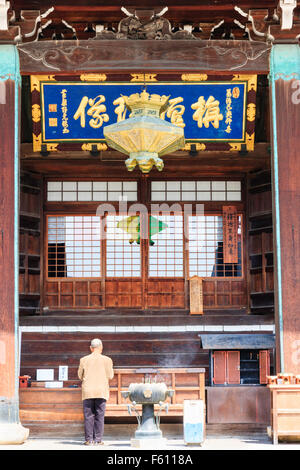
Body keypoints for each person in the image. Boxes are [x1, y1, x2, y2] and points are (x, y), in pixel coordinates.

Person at [77, 338, 114, 446]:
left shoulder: (83, 360)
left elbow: (80, 376)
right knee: (100, 416)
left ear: (91, 348)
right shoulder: (107, 360)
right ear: (101, 347)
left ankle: (89, 440)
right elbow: (110, 376)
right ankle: (98, 440)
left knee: (88, 416)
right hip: (101, 391)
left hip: (88, 391)